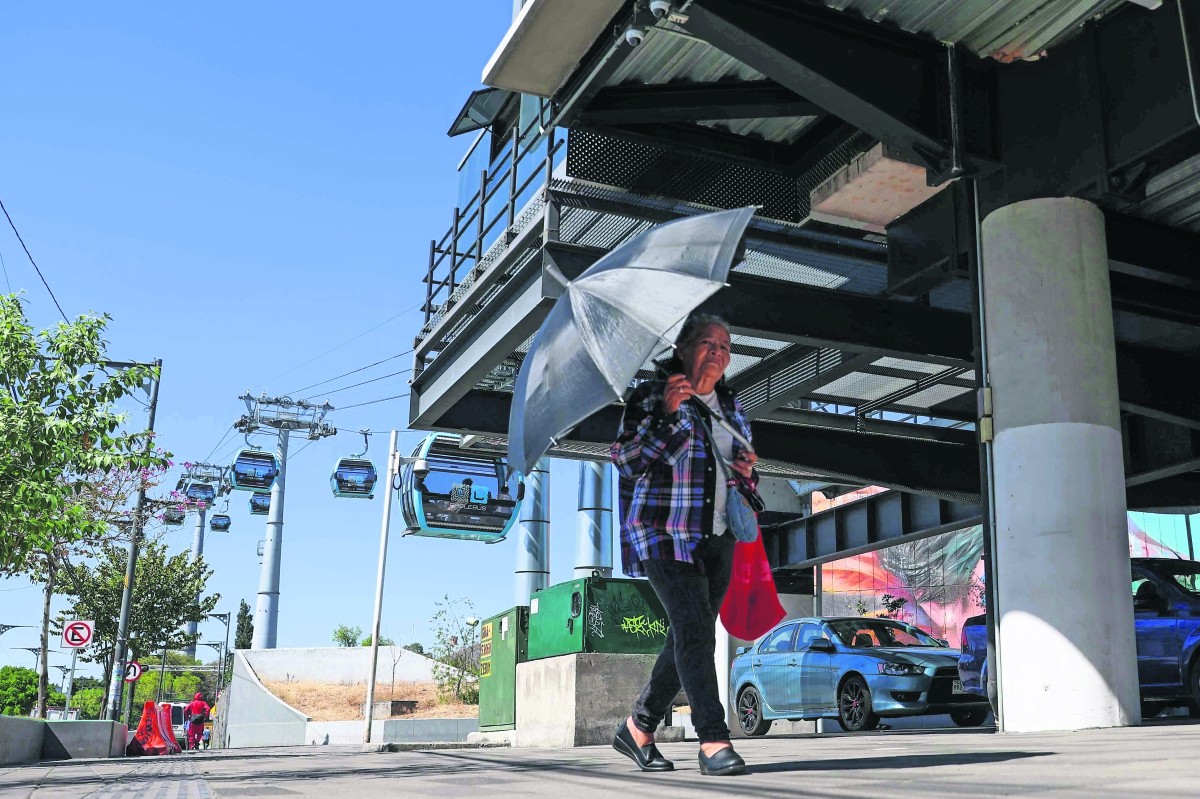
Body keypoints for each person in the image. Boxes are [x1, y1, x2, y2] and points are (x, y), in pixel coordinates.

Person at [610, 313, 762, 777]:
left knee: (687, 634)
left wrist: (748, 470)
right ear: (682, 349)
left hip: (717, 536)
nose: (718, 351)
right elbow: (626, 460)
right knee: (698, 633)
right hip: (662, 532)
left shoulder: (731, 405)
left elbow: (743, 474)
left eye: (726, 344)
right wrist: (668, 417)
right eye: (707, 342)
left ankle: (638, 727)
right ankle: (713, 740)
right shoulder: (652, 395)